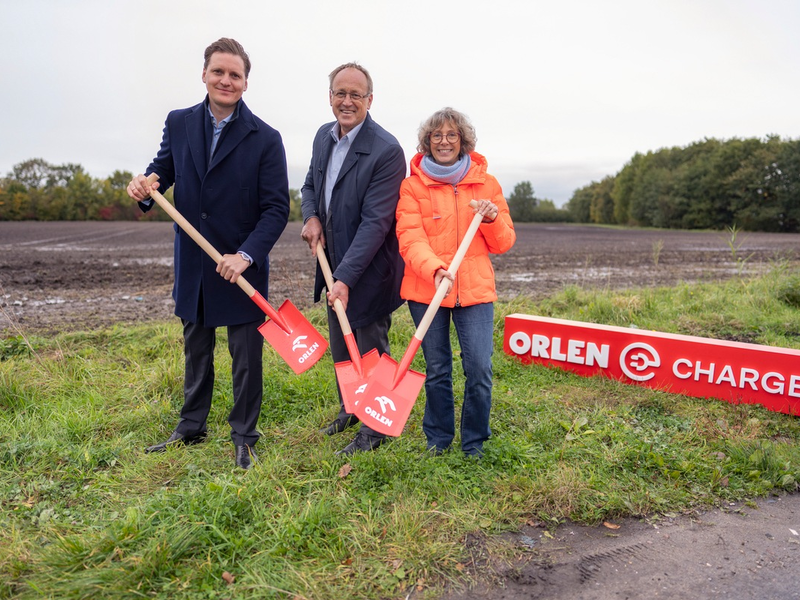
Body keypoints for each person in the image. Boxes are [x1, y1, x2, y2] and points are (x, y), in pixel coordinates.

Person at [127, 38, 290, 469]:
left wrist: (246, 255)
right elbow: (163, 169)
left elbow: (277, 209)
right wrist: (147, 185)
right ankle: (191, 426)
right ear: (204, 74)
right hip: (196, 263)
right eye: (218, 71)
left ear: (246, 83)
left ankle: (244, 434)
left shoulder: (266, 138)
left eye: (235, 74)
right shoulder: (179, 122)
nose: (226, 80)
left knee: (245, 357)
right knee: (196, 348)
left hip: (240, 266)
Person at [395, 107, 516, 457]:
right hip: (426, 289)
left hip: (475, 292)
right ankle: (438, 439)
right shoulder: (412, 186)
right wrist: (434, 269)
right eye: (437, 136)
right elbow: (409, 236)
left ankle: (474, 441)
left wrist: (491, 219)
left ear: (462, 140)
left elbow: (504, 242)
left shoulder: (486, 184)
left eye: (451, 135)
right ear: (427, 142)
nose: (444, 141)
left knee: (479, 367)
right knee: (437, 369)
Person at [300, 62, 406, 455]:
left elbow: (377, 224)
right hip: (331, 261)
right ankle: (351, 407)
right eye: (339, 94)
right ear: (330, 97)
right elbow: (311, 183)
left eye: (355, 95)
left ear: (369, 100)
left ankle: (374, 428)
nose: (346, 101)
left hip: (370, 267)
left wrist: (344, 277)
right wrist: (311, 216)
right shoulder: (322, 137)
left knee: (369, 345)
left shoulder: (386, 150)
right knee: (342, 345)